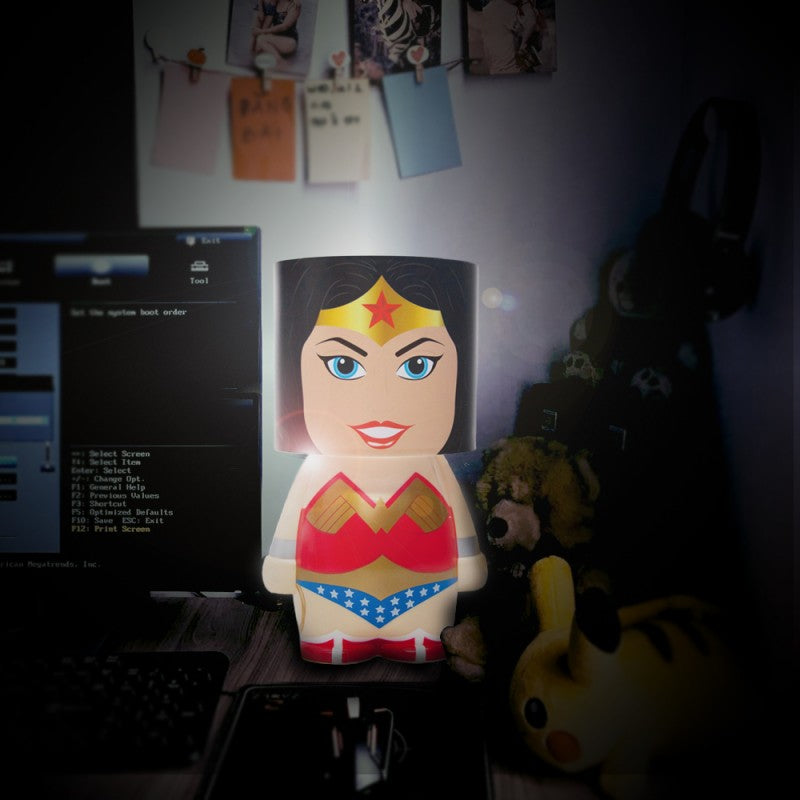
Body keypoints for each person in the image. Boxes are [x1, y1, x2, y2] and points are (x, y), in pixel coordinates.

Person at [263, 256, 487, 665]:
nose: (382, 403)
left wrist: (468, 558)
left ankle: (415, 638)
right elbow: (292, 520)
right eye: (344, 365)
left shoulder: (434, 466)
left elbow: (458, 521)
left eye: (417, 366)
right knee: (333, 642)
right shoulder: (316, 468)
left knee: (420, 641)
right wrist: (282, 560)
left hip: (425, 595)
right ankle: (335, 638)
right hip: (329, 596)